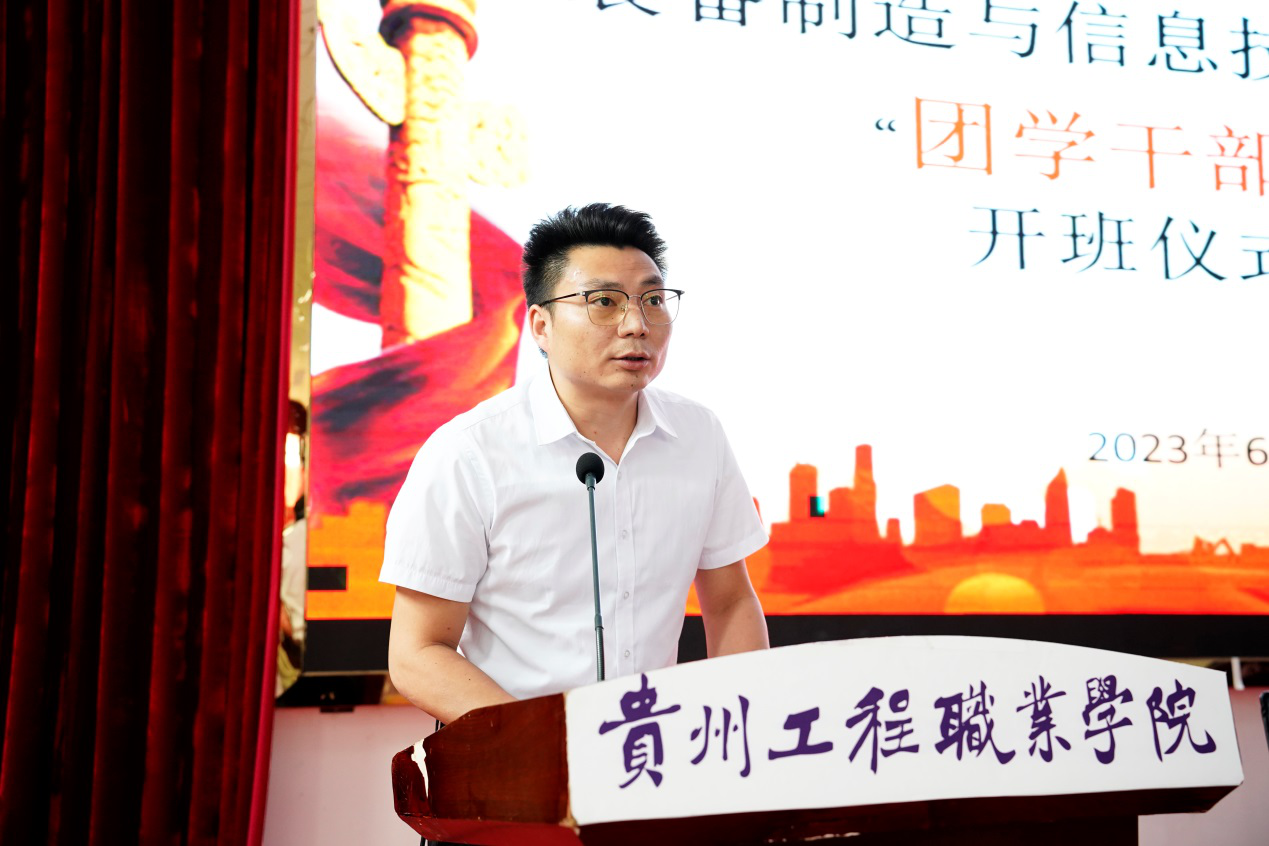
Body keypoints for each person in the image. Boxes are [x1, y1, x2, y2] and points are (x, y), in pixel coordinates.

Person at [380, 204, 769, 732]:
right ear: (541, 325)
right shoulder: (469, 453)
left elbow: (730, 602)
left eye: (653, 300)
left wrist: (737, 732)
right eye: (604, 302)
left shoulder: (699, 436)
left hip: (653, 755)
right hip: (517, 760)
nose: (636, 325)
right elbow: (418, 652)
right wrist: (549, 746)